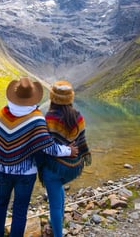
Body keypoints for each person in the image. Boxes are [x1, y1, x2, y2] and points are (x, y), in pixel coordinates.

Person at [0, 77, 78, 237]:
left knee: (0, 204)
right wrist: (68, 151)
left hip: (3, 170)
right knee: (20, 211)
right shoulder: (36, 118)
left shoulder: (2, 114)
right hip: (26, 173)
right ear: (32, 97)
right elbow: (49, 147)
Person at [38, 80, 92, 237]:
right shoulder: (78, 116)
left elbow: (46, 147)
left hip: (54, 168)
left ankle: (57, 233)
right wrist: (72, 152)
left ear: (53, 98)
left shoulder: (48, 118)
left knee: (54, 204)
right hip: (73, 167)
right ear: (70, 98)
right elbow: (81, 142)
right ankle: (58, 221)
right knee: (59, 188)